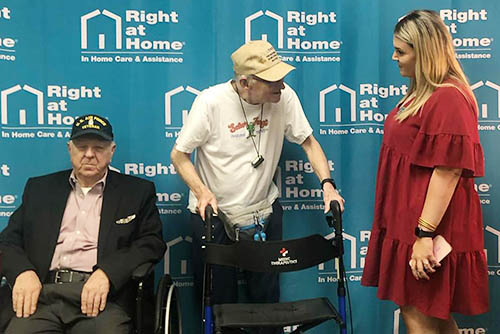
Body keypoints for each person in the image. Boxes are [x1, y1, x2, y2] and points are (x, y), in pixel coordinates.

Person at [171, 40, 344, 333]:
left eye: (282, 78)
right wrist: (202, 192)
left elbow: (309, 143)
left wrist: (328, 185)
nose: (281, 85)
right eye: (272, 81)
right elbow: (179, 155)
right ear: (244, 83)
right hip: (214, 216)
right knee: (219, 306)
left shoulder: (285, 98)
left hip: (263, 212)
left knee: (267, 307)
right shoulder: (211, 102)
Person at [361, 10, 489, 334]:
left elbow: (448, 172)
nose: (394, 57)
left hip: (431, 228)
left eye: (401, 51)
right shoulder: (423, 93)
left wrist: (424, 235)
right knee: (426, 316)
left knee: (421, 317)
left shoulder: (449, 98)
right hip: (411, 224)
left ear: (425, 52)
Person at [0, 114, 166, 333]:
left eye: (98, 147)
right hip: (41, 297)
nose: (89, 154)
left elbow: (151, 243)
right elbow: (8, 240)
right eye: (82, 147)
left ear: (112, 151)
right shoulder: (40, 189)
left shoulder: (136, 192)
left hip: (101, 300)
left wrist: (107, 273)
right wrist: (23, 272)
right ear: (70, 149)